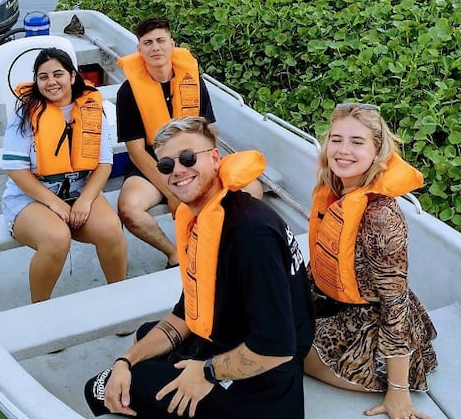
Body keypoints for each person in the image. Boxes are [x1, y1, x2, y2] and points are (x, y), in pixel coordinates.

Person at [85, 116, 313, 419]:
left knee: (98, 388)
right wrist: (124, 361)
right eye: (166, 165)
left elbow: (276, 349)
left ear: (216, 158)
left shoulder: (250, 235)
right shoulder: (211, 218)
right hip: (228, 341)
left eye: (188, 158)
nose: (178, 170)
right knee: (143, 341)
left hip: (262, 390)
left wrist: (206, 372)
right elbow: (186, 313)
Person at [304, 102, 438, 419]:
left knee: (274, 347)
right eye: (336, 139)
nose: (343, 150)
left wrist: (398, 392)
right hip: (333, 304)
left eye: (357, 141)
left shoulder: (381, 216)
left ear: (378, 151)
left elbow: (396, 304)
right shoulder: (336, 188)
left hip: (369, 334)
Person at [116, 16, 261, 269]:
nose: (155, 48)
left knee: (252, 188)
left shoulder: (192, 80)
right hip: (154, 165)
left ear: (172, 44)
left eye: (161, 40)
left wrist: (202, 170)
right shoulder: (128, 92)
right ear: (139, 50)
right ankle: (175, 254)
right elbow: (136, 151)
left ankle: (219, 242)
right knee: (129, 208)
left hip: (194, 157)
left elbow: (206, 131)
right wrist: (170, 188)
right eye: (147, 43)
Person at [1, 47, 127, 302]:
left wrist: (85, 200)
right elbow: (16, 169)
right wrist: (54, 202)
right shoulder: (25, 114)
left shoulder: (91, 110)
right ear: (36, 81)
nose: (51, 82)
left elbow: (104, 163)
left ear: (72, 76)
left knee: (112, 230)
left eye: (58, 74)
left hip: (80, 191)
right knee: (57, 238)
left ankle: (118, 299)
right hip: (31, 199)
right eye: (43, 76)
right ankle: (41, 309)